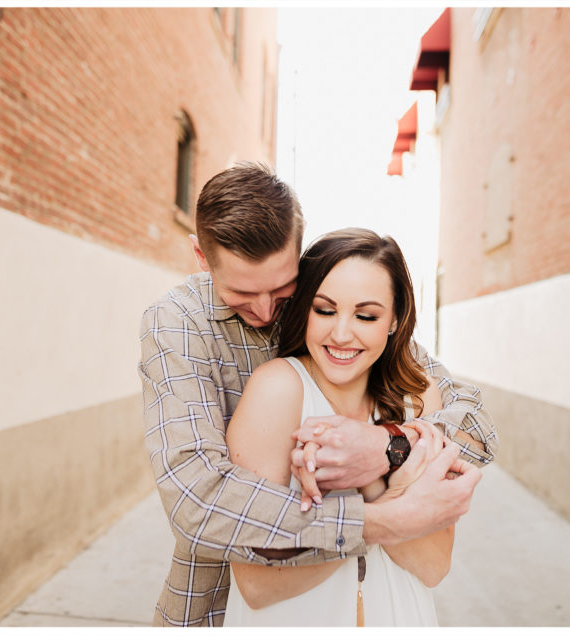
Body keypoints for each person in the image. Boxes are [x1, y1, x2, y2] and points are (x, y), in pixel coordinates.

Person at [137, 163, 498, 627]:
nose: (267, 311)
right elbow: (199, 497)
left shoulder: (336, 311)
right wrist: (389, 516)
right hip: (220, 599)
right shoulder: (178, 324)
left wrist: (387, 446)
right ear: (201, 257)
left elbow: (474, 420)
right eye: (242, 292)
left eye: (284, 289)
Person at [224, 228, 475, 626]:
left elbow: (434, 567)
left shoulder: (419, 398)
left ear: (394, 320)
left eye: (366, 315)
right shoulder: (279, 389)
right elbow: (256, 583)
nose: (341, 334)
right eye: (324, 310)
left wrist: (367, 472)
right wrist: (394, 513)